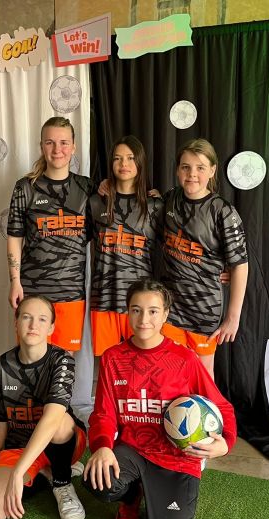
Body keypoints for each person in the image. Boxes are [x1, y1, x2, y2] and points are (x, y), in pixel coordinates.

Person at [83, 278, 237, 519]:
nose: (144, 319)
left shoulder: (184, 358)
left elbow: (222, 406)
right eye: (136, 310)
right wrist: (102, 446)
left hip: (176, 459)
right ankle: (131, 499)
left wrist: (225, 444)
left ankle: (159, 498)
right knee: (97, 480)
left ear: (165, 314)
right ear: (128, 312)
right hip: (133, 450)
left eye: (153, 311)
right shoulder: (113, 358)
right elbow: (103, 413)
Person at [0, 295, 87, 519]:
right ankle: (43, 473)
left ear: (51, 327)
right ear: (16, 323)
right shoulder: (2, 366)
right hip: (19, 447)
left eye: (42, 319)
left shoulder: (62, 360)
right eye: (26, 317)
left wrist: (17, 472)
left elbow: (52, 420)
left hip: (59, 443)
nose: (33, 325)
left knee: (59, 421)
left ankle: (61, 481)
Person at [160, 138, 248, 379]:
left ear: (212, 170)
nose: (192, 174)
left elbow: (240, 265)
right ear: (177, 170)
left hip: (204, 308)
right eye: (185, 167)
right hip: (170, 308)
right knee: (169, 374)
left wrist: (233, 318)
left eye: (200, 167)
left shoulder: (223, 211)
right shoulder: (169, 199)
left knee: (202, 376)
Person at [6, 116, 95, 353]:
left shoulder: (87, 188)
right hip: (33, 292)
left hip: (71, 294)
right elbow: (15, 237)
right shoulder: (25, 187)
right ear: (41, 146)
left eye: (64, 143)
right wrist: (15, 281)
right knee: (31, 359)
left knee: (63, 363)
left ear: (74, 147)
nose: (57, 149)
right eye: (50, 142)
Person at [89, 136, 163, 356]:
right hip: (103, 299)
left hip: (141, 303)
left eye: (130, 158)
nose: (124, 164)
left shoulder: (155, 206)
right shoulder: (96, 202)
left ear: (140, 162)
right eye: (117, 158)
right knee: (108, 365)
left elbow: (176, 247)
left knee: (141, 364)